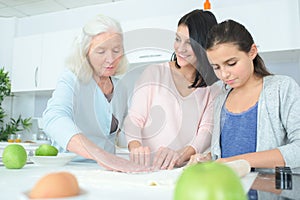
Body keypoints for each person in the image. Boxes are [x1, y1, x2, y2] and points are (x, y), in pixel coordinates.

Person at [42, 14, 149, 172]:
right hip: (71, 169)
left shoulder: (121, 88)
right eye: (101, 51)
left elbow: (127, 127)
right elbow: (54, 118)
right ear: (86, 53)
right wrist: (100, 155)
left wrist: (136, 145)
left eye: (116, 50)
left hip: (108, 171)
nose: (111, 59)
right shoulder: (72, 78)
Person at [188, 19, 300, 169]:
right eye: (216, 67)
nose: (224, 74)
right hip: (229, 191)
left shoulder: (282, 88)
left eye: (231, 63)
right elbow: (223, 156)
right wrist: (208, 159)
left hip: (271, 191)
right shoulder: (221, 98)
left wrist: (236, 161)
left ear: (252, 52)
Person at [122, 9, 221, 170]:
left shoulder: (214, 90)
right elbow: (134, 119)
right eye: (177, 39)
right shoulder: (154, 74)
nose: (180, 48)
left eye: (189, 43)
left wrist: (178, 156)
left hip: (182, 170)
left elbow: (206, 132)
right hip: (146, 169)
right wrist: (135, 146)